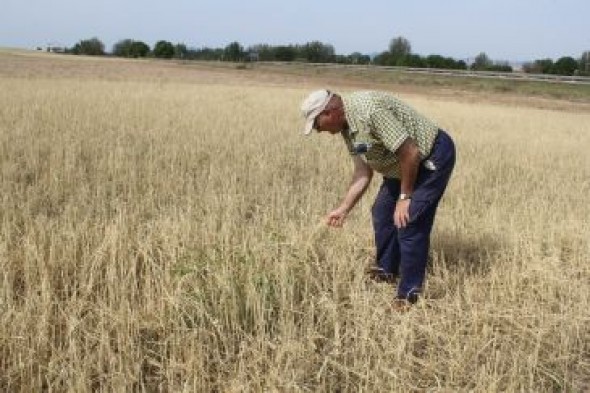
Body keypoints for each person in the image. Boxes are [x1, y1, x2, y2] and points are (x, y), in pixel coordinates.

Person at [300, 89, 456, 307]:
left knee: (408, 220)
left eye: (317, 124)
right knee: (382, 213)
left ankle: (409, 294)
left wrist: (404, 197)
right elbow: (363, 172)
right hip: (402, 166)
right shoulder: (347, 127)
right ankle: (386, 269)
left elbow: (411, 152)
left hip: (430, 157)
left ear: (330, 112)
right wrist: (343, 209)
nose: (318, 130)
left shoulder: (369, 111)